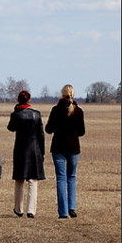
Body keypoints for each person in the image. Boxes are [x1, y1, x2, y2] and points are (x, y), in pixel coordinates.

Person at [45, 84, 85, 219]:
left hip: (58, 147)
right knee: (71, 177)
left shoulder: (55, 110)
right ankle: (72, 208)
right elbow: (82, 132)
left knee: (61, 179)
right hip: (73, 147)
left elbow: (48, 129)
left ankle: (63, 211)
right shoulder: (79, 111)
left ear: (62, 95)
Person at [7, 90, 45, 218]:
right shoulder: (37, 115)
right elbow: (41, 135)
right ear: (29, 100)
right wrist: (42, 152)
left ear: (18, 100)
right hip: (35, 149)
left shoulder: (17, 115)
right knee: (33, 180)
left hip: (20, 149)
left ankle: (18, 208)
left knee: (19, 179)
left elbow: (10, 128)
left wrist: (15, 111)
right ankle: (31, 210)